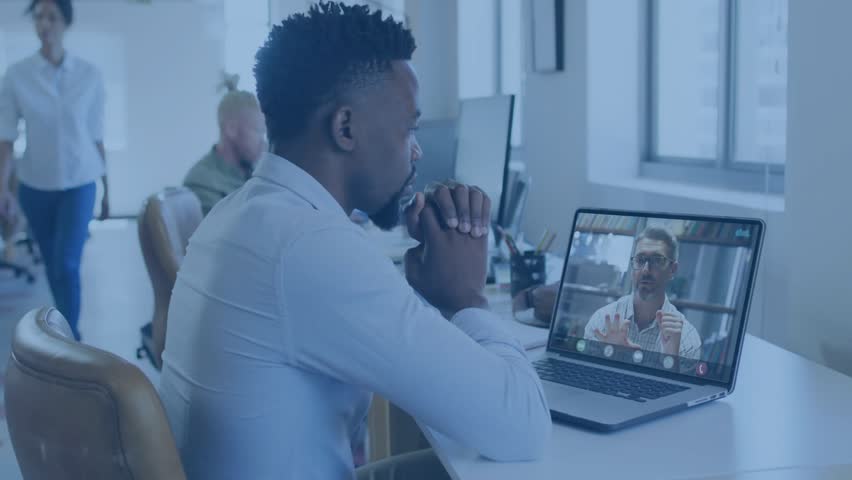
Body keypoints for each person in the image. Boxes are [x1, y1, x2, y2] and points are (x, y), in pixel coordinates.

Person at [157, 3, 550, 479]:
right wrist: (467, 298)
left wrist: (434, 303)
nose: (417, 150)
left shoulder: (241, 213)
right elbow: (523, 428)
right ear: (345, 128)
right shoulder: (310, 246)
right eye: (409, 128)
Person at [0, 0, 108, 340]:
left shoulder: (89, 75)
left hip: (80, 183)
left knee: (67, 263)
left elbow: (97, 137)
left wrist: (109, 191)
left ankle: (70, 340)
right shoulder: (17, 75)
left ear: (65, 23)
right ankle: (65, 331)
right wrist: (3, 189)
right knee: (52, 265)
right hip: (36, 187)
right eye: (38, 17)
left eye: (52, 17)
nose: (44, 24)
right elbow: (5, 139)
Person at [583, 227, 702, 359]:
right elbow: (583, 376)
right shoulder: (602, 322)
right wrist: (609, 356)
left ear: (672, 270)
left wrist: (671, 360)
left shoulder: (686, 339)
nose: (646, 270)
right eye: (640, 260)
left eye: (657, 260)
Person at [183, 75, 267, 215]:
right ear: (231, 130)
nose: (263, 143)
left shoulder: (251, 172)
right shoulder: (202, 183)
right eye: (258, 131)